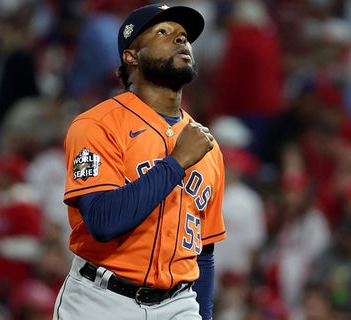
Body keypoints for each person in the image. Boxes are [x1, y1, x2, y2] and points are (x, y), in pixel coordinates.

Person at [53, 4, 226, 320]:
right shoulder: (97, 125)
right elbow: (103, 222)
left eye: (184, 36)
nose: (180, 41)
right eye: (164, 32)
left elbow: (203, 252)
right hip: (101, 299)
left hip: (180, 303)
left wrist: (206, 314)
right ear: (131, 56)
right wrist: (175, 164)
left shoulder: (207, 146)